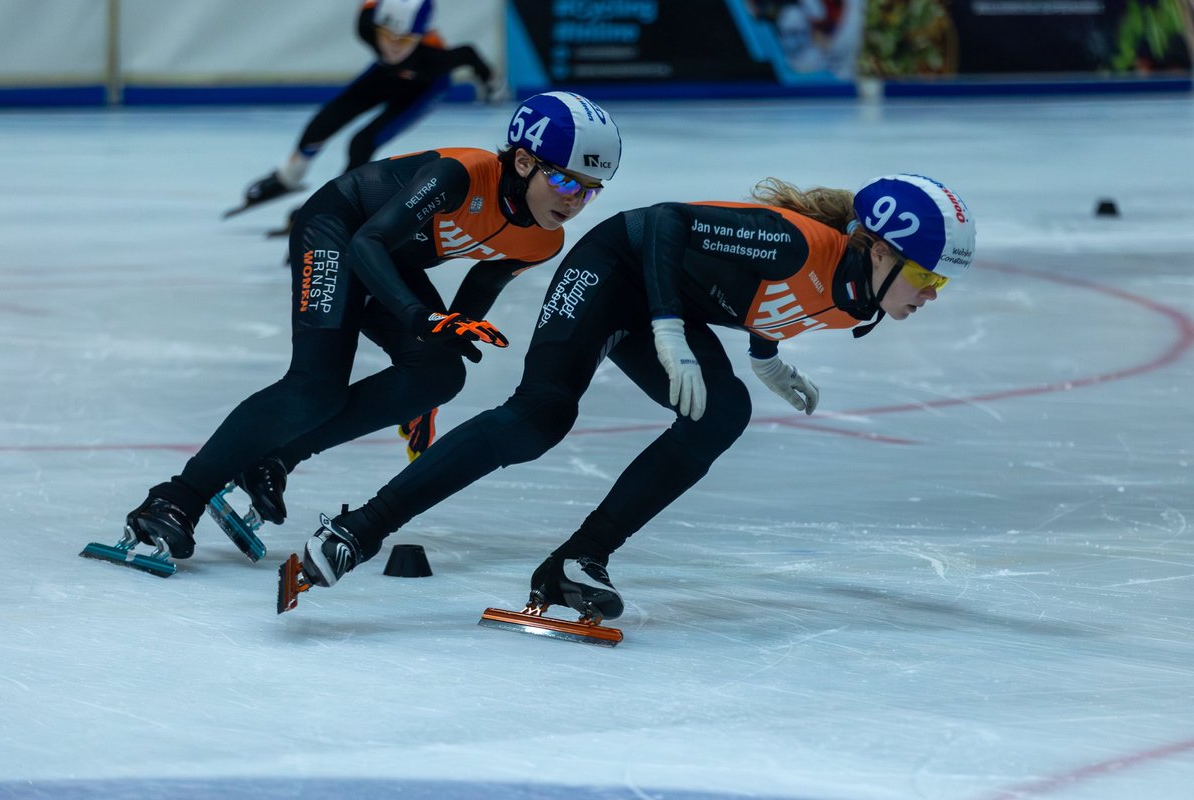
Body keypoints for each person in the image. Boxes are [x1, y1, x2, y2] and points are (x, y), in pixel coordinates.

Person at [289, 173, 976, 621]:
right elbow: (666, 222)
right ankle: (359, 529)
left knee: (723, 410)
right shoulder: (797, 242)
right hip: (613, 266)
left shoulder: (860, 301)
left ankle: (575, 562)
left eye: (939, 285)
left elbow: (766, 300)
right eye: (927, 276)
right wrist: (670, 327)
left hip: (666, 304)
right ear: (880, 250)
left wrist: (765, 356)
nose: (929, 295)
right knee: (539, 418)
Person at [122, 91, 622, 562]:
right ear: (522, 161)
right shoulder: (461, 176)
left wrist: (456, 329)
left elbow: (482, 280)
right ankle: (175, 499)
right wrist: (415, 315)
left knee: (439, 376)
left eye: (590, 190)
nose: (575, 200)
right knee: (315, 388)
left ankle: (273, 459)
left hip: (391, 258)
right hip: (340, 230)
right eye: (564, 181)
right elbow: (368, 244)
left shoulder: (542, 241)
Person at [226, 0, 505, 223]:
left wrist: (492, 84)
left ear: (419, 36)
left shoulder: (434, 59)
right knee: (328, 118)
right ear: (377, 28)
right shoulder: (366, 26)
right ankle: (289, 176)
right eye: (387, 36)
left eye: (404, 39)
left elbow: (469, 54)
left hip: (424, 88)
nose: (392, 46)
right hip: (385, 75)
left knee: (362, 141)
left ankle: (341, 203)